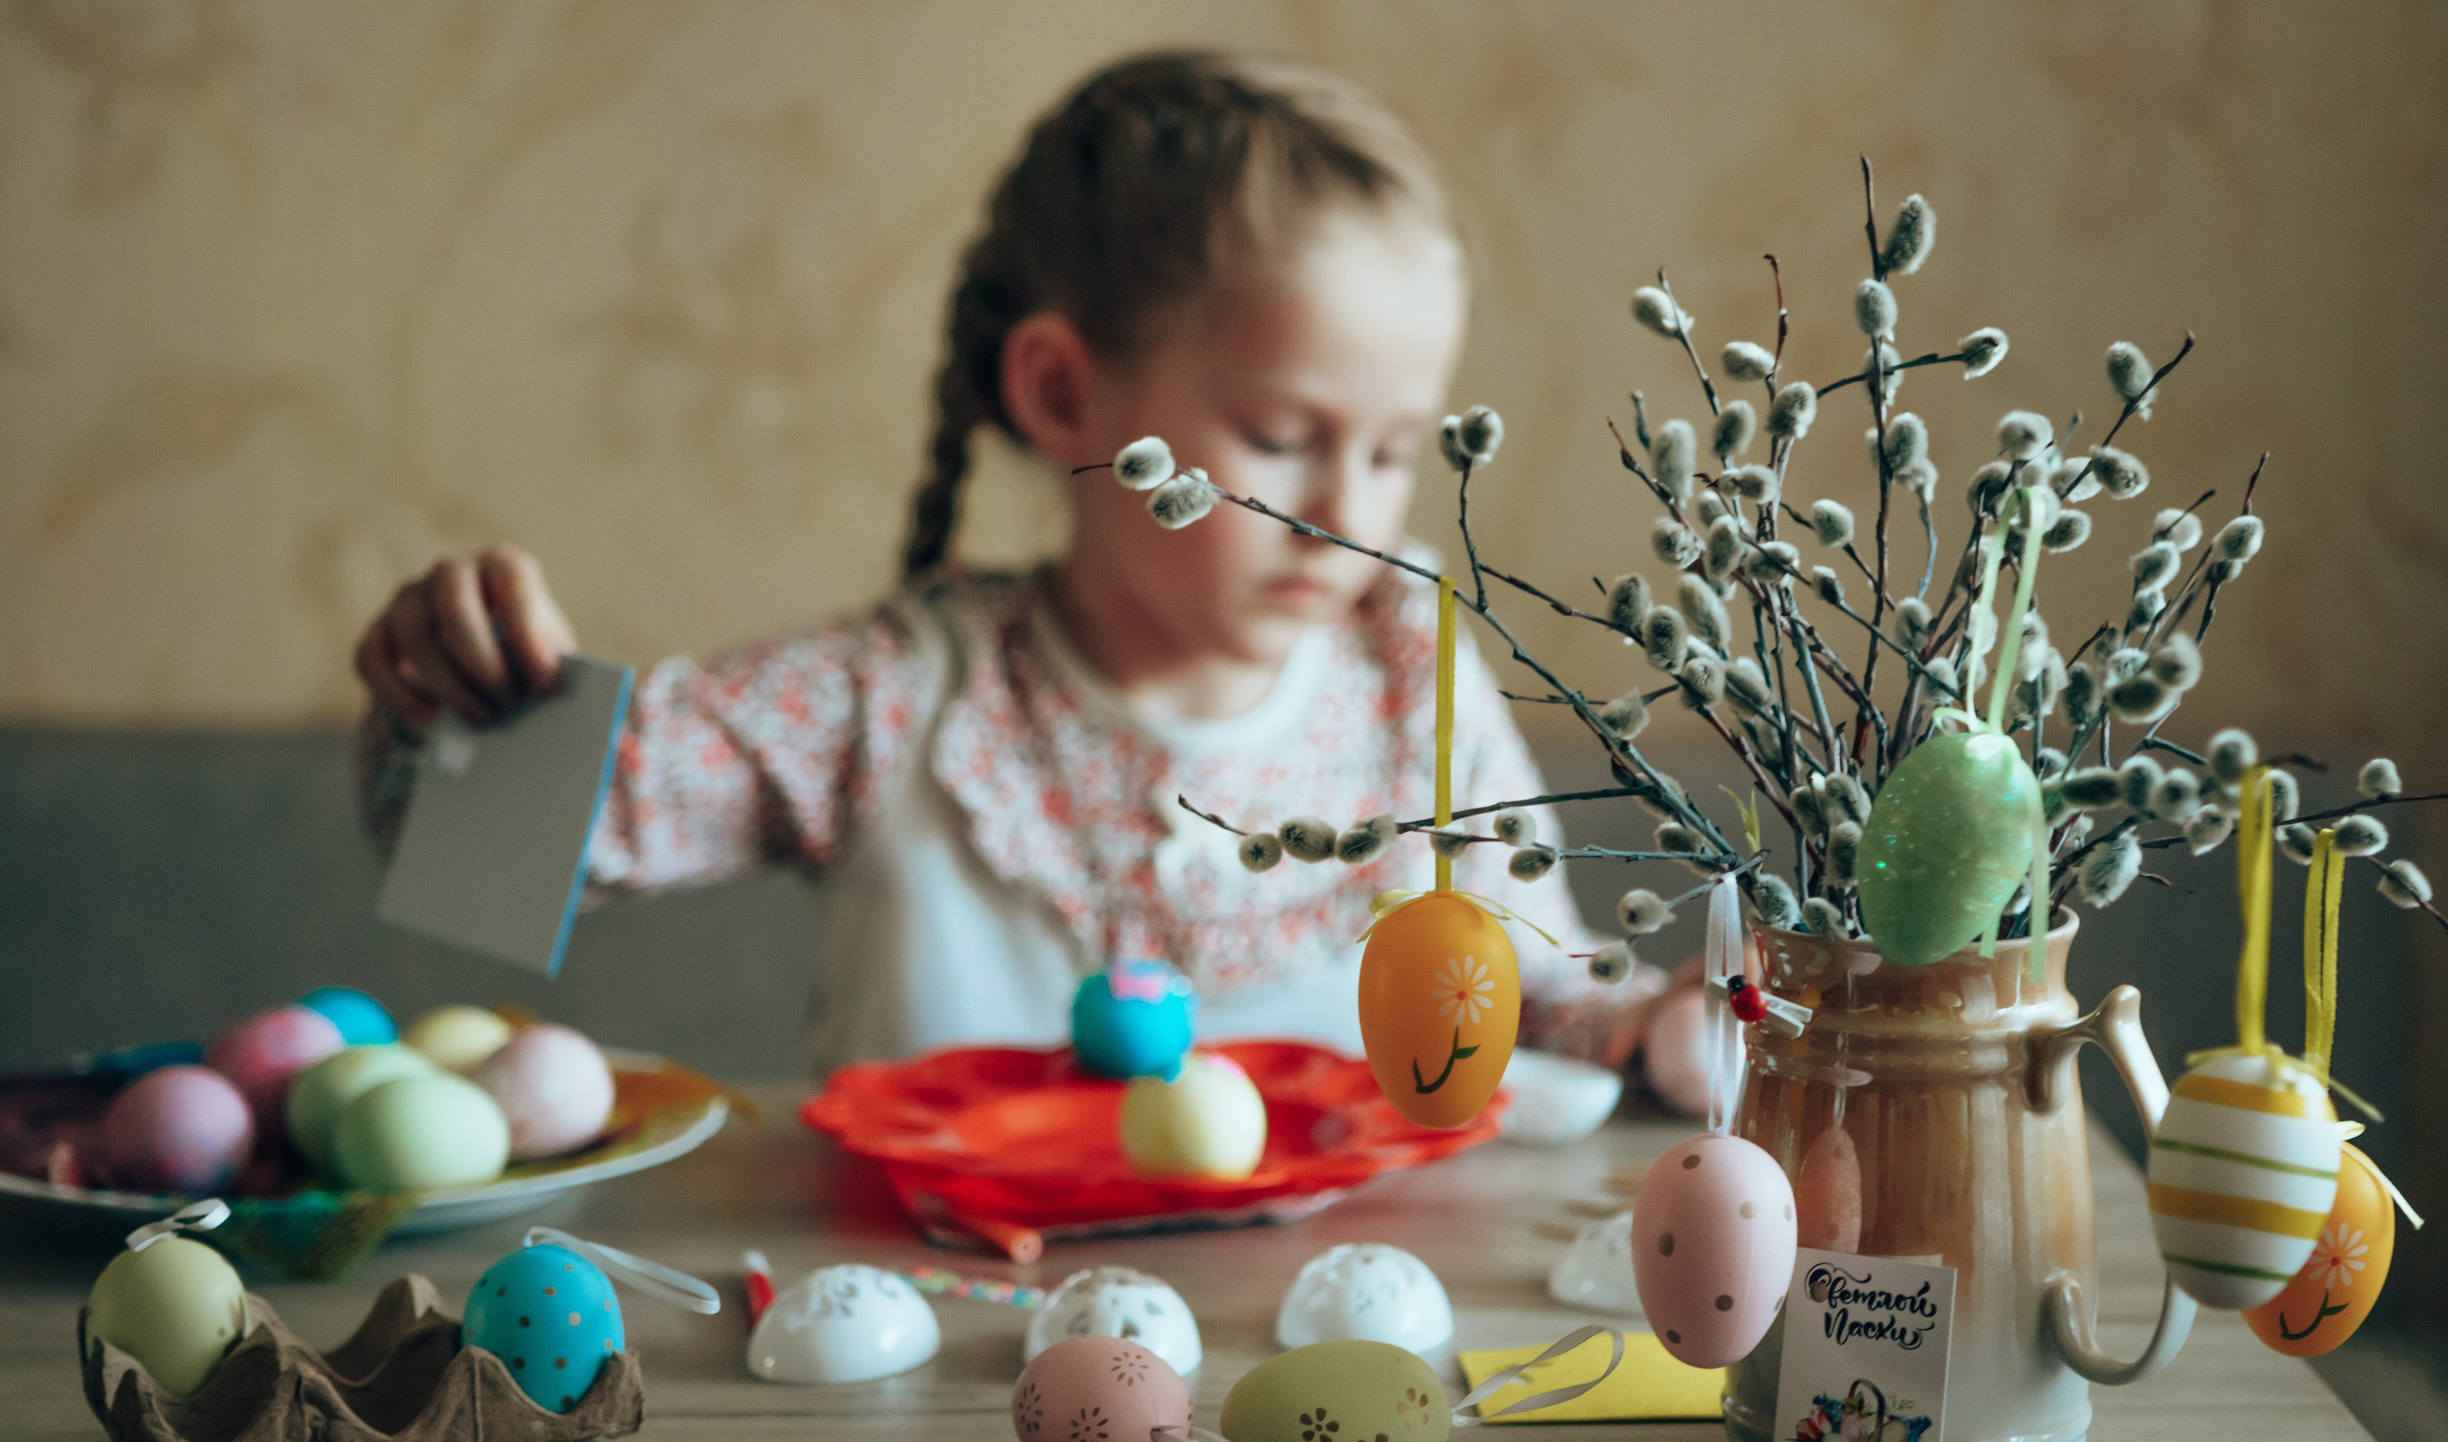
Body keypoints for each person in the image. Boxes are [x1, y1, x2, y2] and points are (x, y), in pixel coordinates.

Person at [353, 50, 1669, 1073]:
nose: (1348, 511)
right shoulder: (894, 700)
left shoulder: (1412, 671)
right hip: (934, 1393)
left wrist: (1658, 1026)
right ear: (1058, 394)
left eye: (1393, 453)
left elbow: (1541, 990)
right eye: (1282, 436)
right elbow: (481, 854)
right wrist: (454, 688)